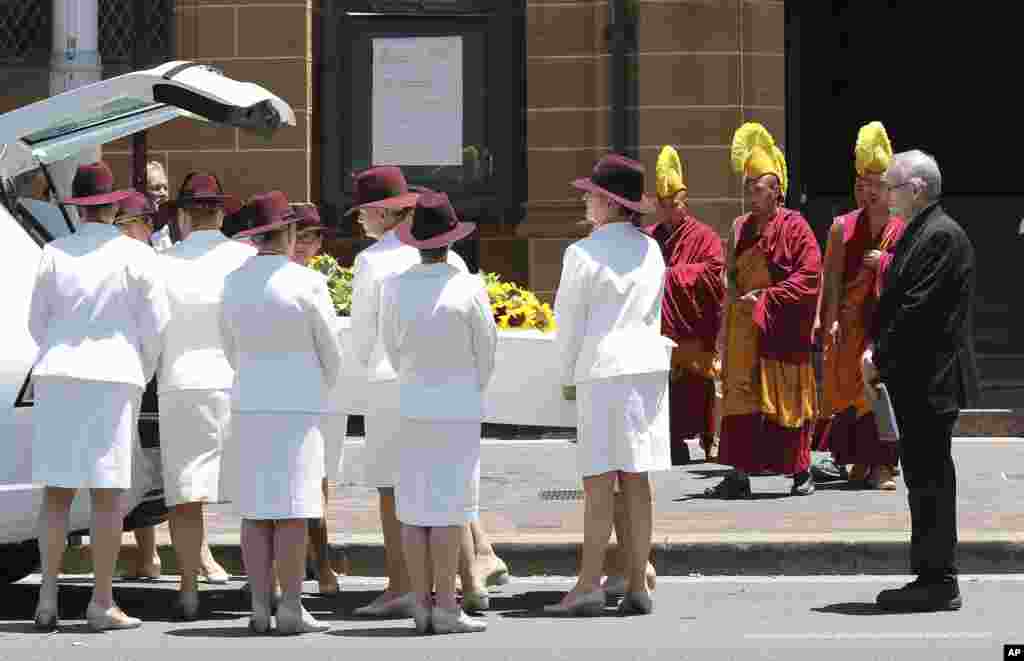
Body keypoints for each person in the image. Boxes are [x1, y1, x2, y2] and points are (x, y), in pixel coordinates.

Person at [29, 162, 169, 631]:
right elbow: (157, 329)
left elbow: (38, 323)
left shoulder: (53, 251)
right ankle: (101, 601)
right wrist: (141, 370)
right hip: (113, 375)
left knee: (57, 492)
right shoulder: (139, 255)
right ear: (112, 206)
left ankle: (47, 598)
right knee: (108, 495)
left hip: (58, 373)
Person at [548, 154, 672, 617]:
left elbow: (569, 327)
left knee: (600, 483)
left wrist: (564, 378)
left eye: (593, 195)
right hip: (645, 367)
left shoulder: (581, 254)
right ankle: (638, 580)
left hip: (602, 369)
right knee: (637, 480)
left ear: (611, 202)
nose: (586, 200)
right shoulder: (652, 249)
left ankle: (587, 583)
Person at [221, 191, 344, 634]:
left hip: (251, 400)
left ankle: (259, 605)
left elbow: (229, 348)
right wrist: (319, 388)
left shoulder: (233, 281)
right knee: (294, 508)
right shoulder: (306, 282)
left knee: (255, 510)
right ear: (290, 233)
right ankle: (291, 606)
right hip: (297, 404)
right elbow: (332, 353)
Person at [863, 150, 978, 612]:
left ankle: (939, 579)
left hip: (932, 381)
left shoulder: (941, 235)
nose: (885, 196)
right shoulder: (922, 230)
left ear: (917, 189)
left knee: (931, 479)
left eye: (891, 187)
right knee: (923, 477)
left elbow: (918, 310)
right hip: (918, 380)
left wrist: (879, 355)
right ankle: (930, 574)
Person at [379, 191, 495, 634]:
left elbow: (391, 349)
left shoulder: (396, 285)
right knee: (449, 510)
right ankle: (446, 604)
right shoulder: (469, 285)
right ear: (451, 241)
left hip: (411, 402)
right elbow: (486, 354)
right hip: (457, 405)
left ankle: (422, 605)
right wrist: (468, 387)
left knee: (414, 507)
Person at [157, 173, 255, 619]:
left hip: (181, 380)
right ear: (221, 212)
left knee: (186, 491)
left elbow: (153, 330)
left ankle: (189, 588)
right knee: (254, 490)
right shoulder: (247, 257)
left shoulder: (163, 262)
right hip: (238, 379)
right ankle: (261, 584)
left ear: (182, 216)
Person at [708, 123, 821, 499]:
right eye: (747, 189)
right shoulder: (739, 227)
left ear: (777, 192)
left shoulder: (797, 227)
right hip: (744, 327)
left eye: (758, 189)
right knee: (740, 399)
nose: (750, 196)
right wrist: (725, 328)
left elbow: (810, 275)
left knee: (784, 398)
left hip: (779, 328)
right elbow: (730, 276)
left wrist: (770, 298)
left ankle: (801, 471)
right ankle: (739, 474)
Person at [815, 122, 906, 491]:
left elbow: (909, 278)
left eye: (876, 183)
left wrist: (883, 264)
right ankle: (857, 462)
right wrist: (830, 320)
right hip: (851, 325)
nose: (867, 191)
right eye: (862, 183)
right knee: (850, 393)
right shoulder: (842, 227)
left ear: (890, 189)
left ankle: (883, 466)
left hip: (885, 323)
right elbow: (831, 278)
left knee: (879, 391)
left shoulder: (903, 228)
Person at [289, 202, 343, 596]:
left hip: (317, 393)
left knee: (317, 483)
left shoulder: (321, 280)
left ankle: (321, 565)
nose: (306, 245)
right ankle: (312, 568)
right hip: (303, 390)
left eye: (314, 237)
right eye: (300, 237)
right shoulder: (305, 282)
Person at [146, 161, 173, 252]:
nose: (163, 193)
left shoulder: (175, 225)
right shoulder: (135, 227)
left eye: (165, 188)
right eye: (156, 188)